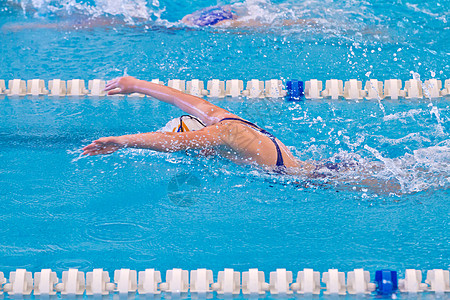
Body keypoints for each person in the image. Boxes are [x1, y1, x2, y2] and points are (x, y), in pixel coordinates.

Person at [82, 76, 316, 175]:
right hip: (315, 169)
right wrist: (135, 84)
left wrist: (122, 141)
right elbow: (176, 98)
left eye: (194, 150)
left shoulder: (228, 133)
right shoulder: (219, 117)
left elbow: (174, 142)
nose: (198, 155)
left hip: (313, 183)